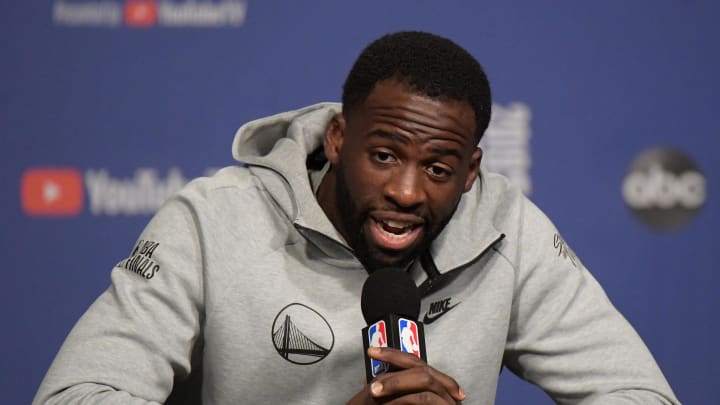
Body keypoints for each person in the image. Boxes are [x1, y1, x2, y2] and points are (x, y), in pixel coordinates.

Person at [34, 31, 680, 404]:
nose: (406, 190)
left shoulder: (509, 232)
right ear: (339, 137)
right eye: (384, 154)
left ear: (472, 170)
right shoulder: (212, 221)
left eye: (438, 167)